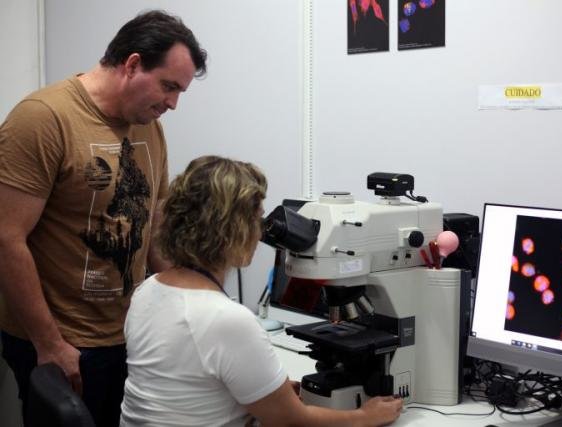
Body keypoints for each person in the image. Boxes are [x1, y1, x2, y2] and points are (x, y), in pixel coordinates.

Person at [0, 9, 207, 427]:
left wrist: (196, 311)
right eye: (168, 86)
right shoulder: (44, 118)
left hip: (129, 335)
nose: (172, 103)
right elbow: (6, 238)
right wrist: (50, 343)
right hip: (62, 342)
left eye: (179, 91)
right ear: (132, 64)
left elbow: (155, 230)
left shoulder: (148, 125)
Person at [119, 155, 403, 426]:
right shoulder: (224, 318)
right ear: (233, 229)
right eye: (257, 219)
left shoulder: (146, 291)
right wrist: (366, 417)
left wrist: (266, 391)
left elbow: (186, 390)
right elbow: (290, 421)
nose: (261, 233)